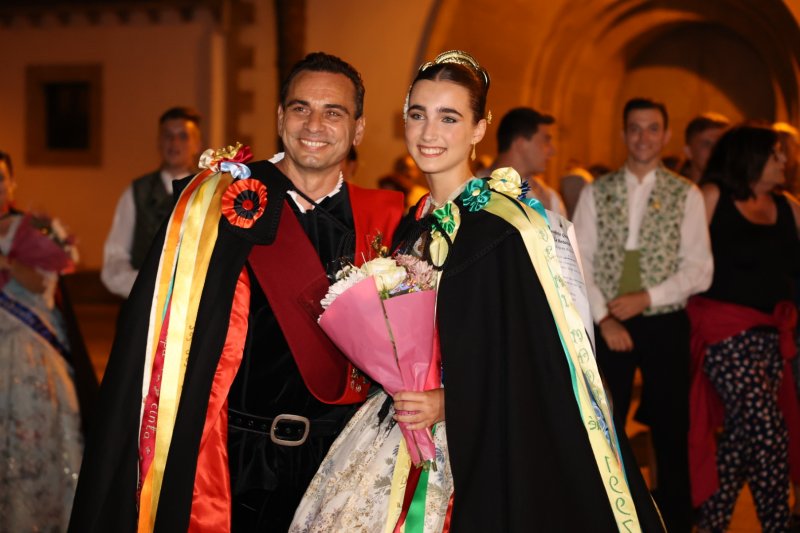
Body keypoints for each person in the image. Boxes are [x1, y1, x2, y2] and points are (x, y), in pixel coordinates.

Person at [294, 50, 666, 533]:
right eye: (418, 115)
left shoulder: (508, 227)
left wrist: (450, 400)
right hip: (401, 428)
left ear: (478, 128)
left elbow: (539, 361)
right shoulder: (413, 222)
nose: (429, 134)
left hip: (480, 441)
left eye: (449, 118)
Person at [68, 52, 404, 533]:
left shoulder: (390, 222)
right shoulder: (214, 208)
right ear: (279, 117)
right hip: (238, 468)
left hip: (344, 466)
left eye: (334, 112)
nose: (314, 124)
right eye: (300, 108)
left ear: (359, 129)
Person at [572, 97, 713, 532]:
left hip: (665, 320)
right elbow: (580, 261)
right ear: (623, 133)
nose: (643, 137)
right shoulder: (598, 191)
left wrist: (646, 297)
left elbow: (700, 269)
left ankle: (674, 522)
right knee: (601, 424)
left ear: (667, 135)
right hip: (608, 319)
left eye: (653, 128)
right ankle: (609, 517)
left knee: (671, 429)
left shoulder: (686, 194)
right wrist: (605, 317)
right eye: (635, 128)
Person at [689, 125, 800, 533]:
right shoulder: (712, 197)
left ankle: (712, 523)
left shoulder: (789, 206)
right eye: (776, 155)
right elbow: (684, 262)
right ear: (752, 159)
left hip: (771, 338)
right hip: (724, 334)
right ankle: (778, 525)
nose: (785, 161)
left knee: (740, 440)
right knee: (770, 433)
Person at [0, 151, 83, 531]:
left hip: (30, 351)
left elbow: (40, 282)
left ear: (12, 182)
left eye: (1, 177)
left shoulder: (33, 227)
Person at [101, 106, 203, 298]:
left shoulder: (208, 191)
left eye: (183, 136)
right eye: (167, 135)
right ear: (158, 142)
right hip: (145, 304)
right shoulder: (136, 192)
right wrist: (147, 285)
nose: (174, 142)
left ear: (197, 144)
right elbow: (115, 256)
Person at [479, 106, 566, 216]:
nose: (553, 151)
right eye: (546, 140)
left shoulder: (551, 199)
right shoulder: (472, 191)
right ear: (521, 143)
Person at [679, 112, 730, 183]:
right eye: (707, 144)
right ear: (689, 151)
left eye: (720, 144)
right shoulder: (675, 190)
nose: (715, 150)